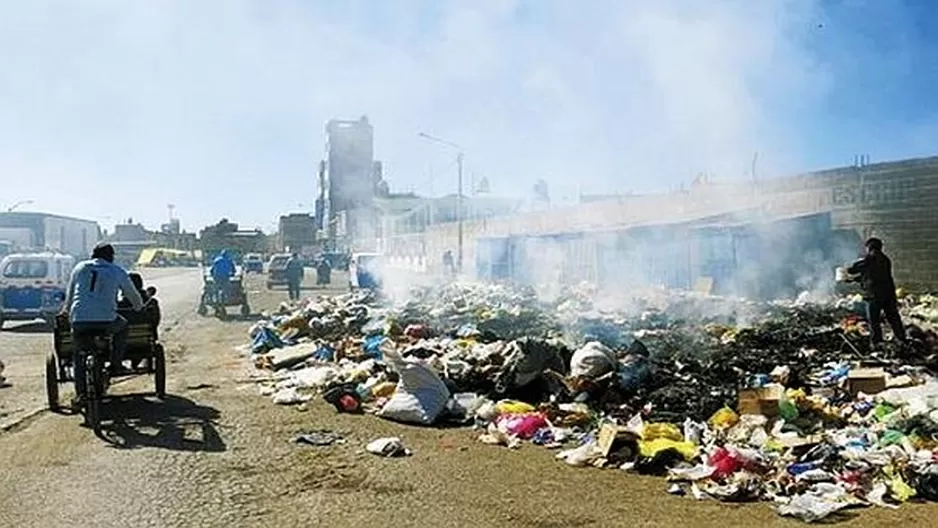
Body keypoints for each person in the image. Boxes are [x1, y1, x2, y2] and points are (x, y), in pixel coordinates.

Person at [62, 243, 144, 400]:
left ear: (93, 255)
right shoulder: (116, 270)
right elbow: (132, 294)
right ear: (111, 257)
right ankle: (115, 364)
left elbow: (70, 295)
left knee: (79, 355)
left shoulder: (79, 268)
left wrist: (66, 312)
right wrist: (138, 307)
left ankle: (80, 394)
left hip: (79, 320)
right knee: (123, 326)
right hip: (106, 320)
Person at [847, 237, 906, 345]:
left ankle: (877, 343)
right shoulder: (885, 259)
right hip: (888, 294)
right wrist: (855, 279)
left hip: (874, 296)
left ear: (869, 247)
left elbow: (854, 269)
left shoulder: (870, 258)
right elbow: (871, 275)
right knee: (893, 318)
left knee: (874, 321)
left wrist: (846, 271)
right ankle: (901, 338)